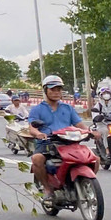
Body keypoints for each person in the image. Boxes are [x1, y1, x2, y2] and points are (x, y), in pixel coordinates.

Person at [26, 75, 85, 203]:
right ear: (46, 90)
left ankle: (82, 183)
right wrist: (38, 134)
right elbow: (32, 128)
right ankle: (47, 188)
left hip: (68, 142)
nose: (56, 92)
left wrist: (90, 132)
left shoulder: (68, 108)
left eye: (59, 89)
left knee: (94, 159)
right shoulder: (37, 109)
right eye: (53, 89)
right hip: (47, 143)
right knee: (37, 159)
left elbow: (79, 125)